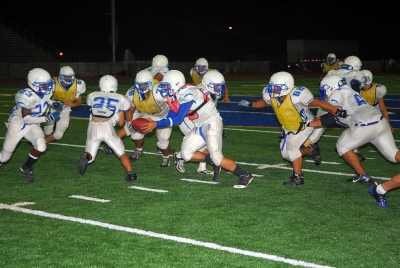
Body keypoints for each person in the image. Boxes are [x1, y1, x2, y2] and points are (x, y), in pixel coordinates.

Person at [142, 70, 254, 189]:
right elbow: (171, 115)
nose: (165, 88)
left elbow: (178, 119)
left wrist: (156, 124)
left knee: (217, 157)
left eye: (167, 85)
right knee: (185, 154)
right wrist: (155, 124)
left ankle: (244, 175)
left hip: (212, 122)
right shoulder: (175, 95)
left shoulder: (188, 92)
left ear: (176, 84)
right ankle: (212, 160)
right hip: (200, 125)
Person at [238, 71, 347, 186]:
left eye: (276, 87)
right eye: (272, 87)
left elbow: (318, 102)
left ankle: (298, 177)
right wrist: (252, 104)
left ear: (287, 86)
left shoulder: (297, 95)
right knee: (286, 155)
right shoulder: (272, 95)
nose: (273, 90)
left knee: (292, 149)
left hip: (304, 125)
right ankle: (311, 149)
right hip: (288, 127)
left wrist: (336, 110)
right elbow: (266, 102)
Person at [316, 74, 400, 184]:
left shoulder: (337, 94)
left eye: (324, 89)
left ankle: (363, 175)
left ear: (331, 87)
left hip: (366, 126)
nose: (323, 92)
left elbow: (330, 118)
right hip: (380, 122)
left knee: (342, 146)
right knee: (393, 156)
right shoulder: (349, 90)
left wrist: (308, 123)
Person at [0, 68, 60, 182]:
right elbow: (26, 119)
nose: (48, 87)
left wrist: (53, 102)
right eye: (44, 85)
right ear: (34, 85)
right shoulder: (25, 96)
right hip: (18, 123)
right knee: (4, 157)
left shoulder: (46, 91)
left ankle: (26, 166)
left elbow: (45, 99)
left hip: (34, 122)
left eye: (48, 84)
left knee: (41, 146)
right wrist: (46, 118)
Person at [304, 55, 366, 161]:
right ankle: (353, 150)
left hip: (327, 104)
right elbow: (356, 91)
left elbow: (322, 86)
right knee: (358, 126)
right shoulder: (357, 74)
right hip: (344, 108)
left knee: (318, 129)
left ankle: (304, 147)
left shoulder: (333, 72)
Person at [77, 75, 137, 182]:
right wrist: (119, 115)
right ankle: (131, 173)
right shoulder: (121, 98)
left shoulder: (93, 95)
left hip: (92, 126)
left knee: (90, 157)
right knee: (121, 152)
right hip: (107, 127)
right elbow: (121, 123)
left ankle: (86, 156)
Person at [173, 69, 226, 175]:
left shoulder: (210, 91)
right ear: (208, 84)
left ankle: (202, 167)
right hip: (187, 119)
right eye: (216, 86)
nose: (219, 89)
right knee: (200, 142)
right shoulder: (200, 91)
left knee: (205, 140)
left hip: (199, 120)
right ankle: (179, 156)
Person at [189, 58, 229, 173]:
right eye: (199, 67)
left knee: (209, 125)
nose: (201, 69)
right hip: (200, 103)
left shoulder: (213, 74)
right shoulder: (193, 73)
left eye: (203, 67)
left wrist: (226, 96)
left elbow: (223, 85)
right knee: (205, 133)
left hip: (209, 100)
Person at [44, 66, 86, 144]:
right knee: (47, 132)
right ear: (61, 76)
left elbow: (79, 101)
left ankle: (44, 142)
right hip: (52, 108)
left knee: (59, 135)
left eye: (70, 77)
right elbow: (44, 98)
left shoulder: (79, 84)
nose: (69, 79)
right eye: (66, 77)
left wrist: (73, 104)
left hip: (65, 109)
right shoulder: (52, 82)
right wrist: (53, 103)